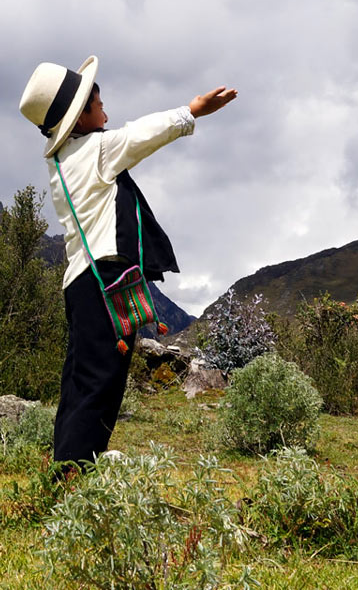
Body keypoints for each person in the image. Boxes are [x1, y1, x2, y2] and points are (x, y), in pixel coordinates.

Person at [18, 56, 237, 464]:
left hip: (82, 282)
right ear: (80, 118)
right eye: (99, 105)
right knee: (101, 378)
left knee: (81, 378)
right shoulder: (96, 150)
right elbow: (139, 135)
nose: (106, 113)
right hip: (103, 279)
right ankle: (77, 471)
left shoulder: (61, 162)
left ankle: (72, 461)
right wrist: (191, 111)